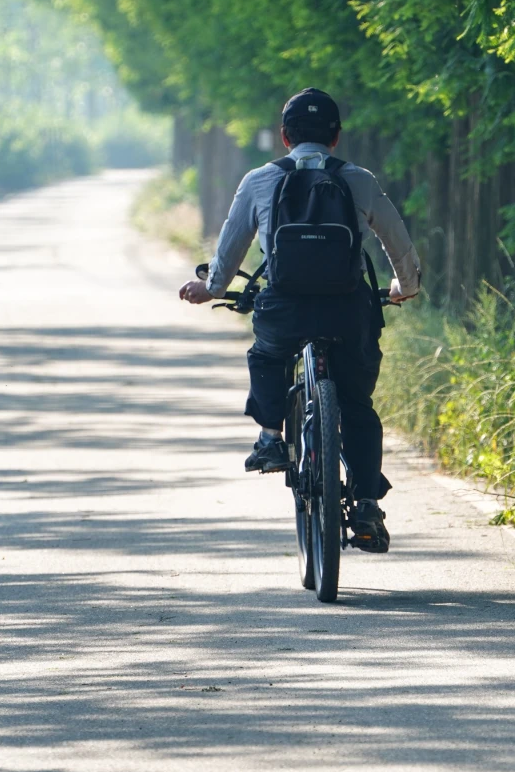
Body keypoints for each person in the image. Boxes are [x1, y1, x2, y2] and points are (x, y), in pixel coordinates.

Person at [178, 88, 421, 552]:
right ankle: (366, 501)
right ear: (336, 137)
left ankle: (271, 437)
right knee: (356, 404)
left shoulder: (259, 180)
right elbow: (397, 240)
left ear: (285, 137)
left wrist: (209, 287)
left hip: (285, 308)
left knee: (267, 354)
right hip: (349, 310)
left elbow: (230, 249)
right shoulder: (358, 179)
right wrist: (404, 287)